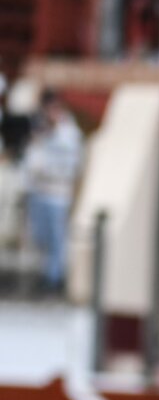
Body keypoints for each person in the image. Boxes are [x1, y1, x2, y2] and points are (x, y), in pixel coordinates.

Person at [22, 89, 83, 295]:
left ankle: (54, 278)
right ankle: (43, 274)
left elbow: (71, 161)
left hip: (58, 192)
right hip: (38, 189)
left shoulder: (69, 131)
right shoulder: (38, 127)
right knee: (40, 236)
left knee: (58, 238)